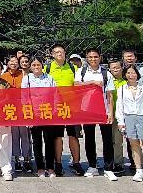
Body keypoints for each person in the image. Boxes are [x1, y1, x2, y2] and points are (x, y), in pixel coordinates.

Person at [74, 48, 117, 180]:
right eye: (90, 57)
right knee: (89, 138)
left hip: (102, 109)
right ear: (86, 58)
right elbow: (76, 85)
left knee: (107, 139)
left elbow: (109, 95)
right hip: (87, 109)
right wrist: (92, 82)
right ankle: (92, 165)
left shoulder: (106, 73)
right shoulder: (81, 71)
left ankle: (109, 167)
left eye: (95, 56)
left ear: (100, 57)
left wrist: (111, 112)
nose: (93, 59)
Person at [115, 65, 143, 184]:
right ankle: (138, 169)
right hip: (129, 117)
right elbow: (120, 107)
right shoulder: (122, 89)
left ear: (137, 75)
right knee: (134, 145)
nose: (131, 75)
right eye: (128, 73)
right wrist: (121, 122)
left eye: (133, 73)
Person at [46, 45, 82, 176]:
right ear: (52, 55)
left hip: (72, 108)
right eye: (56, 52)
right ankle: (58, 163)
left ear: (65, 53)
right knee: (57, 137)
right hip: (56, 109)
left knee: (74, 135)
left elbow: (80, 85)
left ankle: (76, 162)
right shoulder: (47, 68)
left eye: (61, 51)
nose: (59, 54)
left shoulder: (73, 68)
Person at [23, 58, 56, 178]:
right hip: (34, 115)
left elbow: (55, 94)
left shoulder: (49, 78)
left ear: (42, 65)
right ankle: (40, 168)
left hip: (47, 114)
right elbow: (24, 98)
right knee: (37, 143)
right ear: (30, 67)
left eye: (38, 64)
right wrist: (28, 115)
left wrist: (54, 111)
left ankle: (50, 167)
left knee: (49, 142)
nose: (36, 66)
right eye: (34, 65)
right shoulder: (27, 79)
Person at [108, 59, 127, 175]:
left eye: (117, 67)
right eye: (113, 68)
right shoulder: (108, 80)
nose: (115, 69)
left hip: (121, 116)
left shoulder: (126, 82)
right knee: (109, 140)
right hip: (109, 114)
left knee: (118, 140)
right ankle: (109, 161)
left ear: (122, 68)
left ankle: (118, 162)